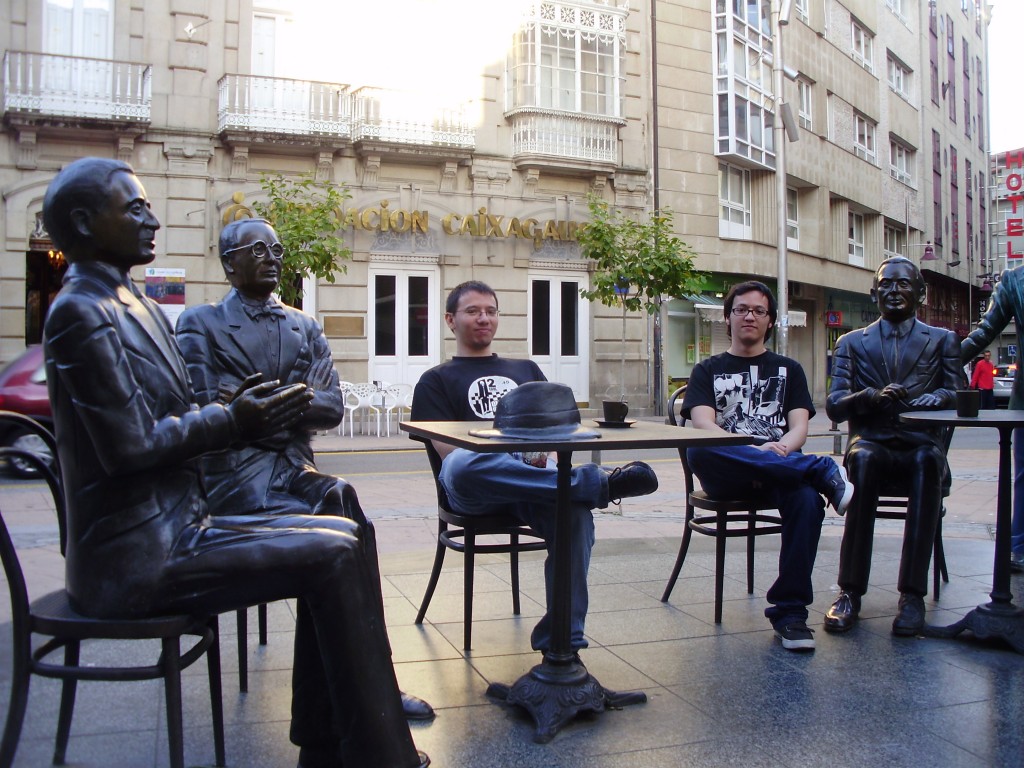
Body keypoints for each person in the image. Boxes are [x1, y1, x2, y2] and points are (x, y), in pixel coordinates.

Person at [41, 157, 428, 768]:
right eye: (136, 208)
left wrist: (242, 412)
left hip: (182, 521)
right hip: (138, 551)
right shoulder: (81, 312)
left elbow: (299, 400)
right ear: (86, 223)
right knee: (333, 548)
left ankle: (327, 741)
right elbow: (132, 445)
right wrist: (236, 419)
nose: (154, 219)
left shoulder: (129, 303)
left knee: (343, 531)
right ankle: (377, 755)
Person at [175, 217, 433, 721]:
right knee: (339, 525)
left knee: (343, 499)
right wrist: (278, 405)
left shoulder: (304, 324)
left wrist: (258, 408)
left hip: (293, 467)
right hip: (231, 480)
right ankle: (362, 688)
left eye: (277, 247)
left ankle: (372, 677)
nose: (272, 256)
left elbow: (332, 407)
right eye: (257, 249)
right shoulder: (199, 323)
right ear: (229, 264)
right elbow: (203, 408)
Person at [410, 280, 659, 654]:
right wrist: (519, 458)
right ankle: (596, 485)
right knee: (463, 464)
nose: (484, 318)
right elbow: (448, 452)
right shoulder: (435, 380)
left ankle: (563, 643)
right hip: (479, 489)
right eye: (473, 311)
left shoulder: (525, 368)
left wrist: (550, 463)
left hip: (536, 484)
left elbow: (559, 434)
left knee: (574, 516)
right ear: (450, 319)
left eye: (491, 311)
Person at [682, 280, 852, 652]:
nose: (749, 316)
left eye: (759, 311)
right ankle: (821, 470)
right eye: (741, 309)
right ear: (727, 318)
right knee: (700, 449)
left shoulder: (789, 369)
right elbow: (704, 425)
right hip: (728, 471)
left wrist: (779, 452)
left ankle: (790, 614)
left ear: (771, 321)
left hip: (780, 469)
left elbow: (799, 429)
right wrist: (758, 451)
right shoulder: (707, 370)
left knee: (807, 501)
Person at [825, 256, 960, 636]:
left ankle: (912, 597)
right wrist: (869, 396)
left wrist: (939, 399)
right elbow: (835, 404)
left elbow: (960, 393)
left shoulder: (942, 340)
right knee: (864, 461)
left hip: (920, 442)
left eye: (903, 285)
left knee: (926, 463)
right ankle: (849, 592)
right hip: (872, 440)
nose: (894, 291)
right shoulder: (852, 342)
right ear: (873, 293)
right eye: (886, 285)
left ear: (921, 293)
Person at [961, 265, 1024, 574]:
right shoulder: (1015, 281)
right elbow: (985, 331)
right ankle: (1019, 547)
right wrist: (940, 362)